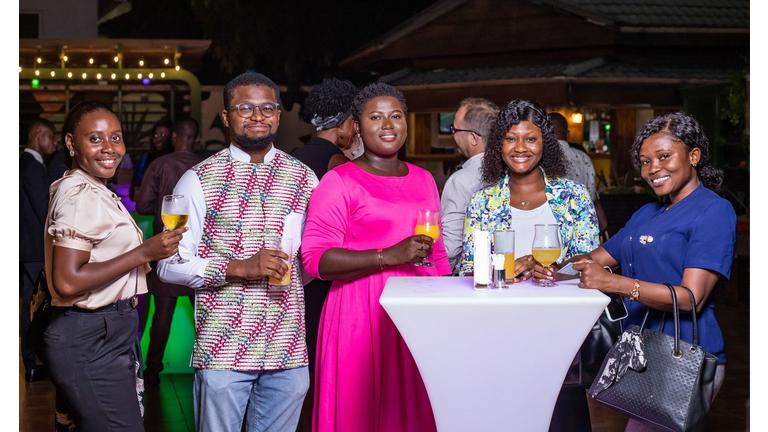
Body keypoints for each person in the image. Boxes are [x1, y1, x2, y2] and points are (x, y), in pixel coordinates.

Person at [539, 112, 736, 432]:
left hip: (684, 357)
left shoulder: (713, 210)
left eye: (664, 156)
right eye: (645, 161)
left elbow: (691, 298)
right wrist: (550, 266)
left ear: (694, 156)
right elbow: (596, 257)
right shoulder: (648, 213)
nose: (652, 169)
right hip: (642, 353)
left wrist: (615, 282)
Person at [157, 72, 317, 432]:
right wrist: (239, 268)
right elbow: (169, 266)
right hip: (223, 350)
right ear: (227, 117)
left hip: (288, 349)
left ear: (278, 116)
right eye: (245, 108)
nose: (258, 116)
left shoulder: (305, 179)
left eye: (267, 108)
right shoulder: (198, 179)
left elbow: (311, 260)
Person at [301, 82, 451, 432]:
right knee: (360, 410)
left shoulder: (424, 179)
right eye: (376, 117)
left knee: (414, 409)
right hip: (360, 311)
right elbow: (315, 259)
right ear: (356, 125)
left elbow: (439, 254)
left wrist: (447, 308)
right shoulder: (339, 181)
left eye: (396, 116)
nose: (387, 125)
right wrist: (388, 256)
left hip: (417, 311)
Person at [457, 99, 599, 432]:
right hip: (498, 335)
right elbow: (467, 270)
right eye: (511, 138)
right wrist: (506, 268)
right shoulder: (483, 201)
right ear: (499, 144)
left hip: (561, 335)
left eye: (530, 138)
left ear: (544, 143)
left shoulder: (573, 196)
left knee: (562, 421)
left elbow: (591, 261)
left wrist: (553, 268)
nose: (520, 147)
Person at [43, 101, 185, 431]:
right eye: (95, 139)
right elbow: (67, 281)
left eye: (115, 137)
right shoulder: (80, 194)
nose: (109, 148)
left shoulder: (95, 189)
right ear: (71, 143)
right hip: (91, 335)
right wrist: (144, 252)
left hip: (106, 331)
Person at [292, 78, 359, 375]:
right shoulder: (339, 163)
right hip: (323, 268)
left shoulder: (293, 157)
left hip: (293, 265)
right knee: (321, 350)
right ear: (345, 124)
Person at [135, 117, 204, 386]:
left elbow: (142, 205)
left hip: (168, 247)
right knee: (203, 317)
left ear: (175, 137)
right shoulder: (206, 165)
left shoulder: (160, 165)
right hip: (200, 252)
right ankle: (208, 367)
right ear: (196, 139)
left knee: (162, 317)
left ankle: (152, 372)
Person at [441, 97, 499, 272]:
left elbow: (451, 248)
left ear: (473, 138)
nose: (453, 135)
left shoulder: (460, 181)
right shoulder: (513, 172)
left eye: (455, 129)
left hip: (472, 276)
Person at [20, 117, 57, 382]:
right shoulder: (32, 166)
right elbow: (44, 211)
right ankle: (32, 362)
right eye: (51, 138)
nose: (54, 144)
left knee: (31, 306)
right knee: (34, 307)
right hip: (33, 250)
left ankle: (32, 361)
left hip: (27, 248)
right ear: (38, 135)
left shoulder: (25, 163)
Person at [548, 112, 608, 235]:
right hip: (582, 226)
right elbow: (592, 195)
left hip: (551, 227)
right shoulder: (583, 157)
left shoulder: (542, 157)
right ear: (567, 133)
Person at [293, 78, 360, 179]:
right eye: (354, 121)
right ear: (340, 124)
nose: (357, 129)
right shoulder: (340, 164)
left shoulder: (294, 155)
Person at [131, 119, 173, 200]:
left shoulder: (175, 160)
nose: (157, 139)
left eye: (163, 135)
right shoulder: (146, 158)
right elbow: (135, 190)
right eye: (155, 135)